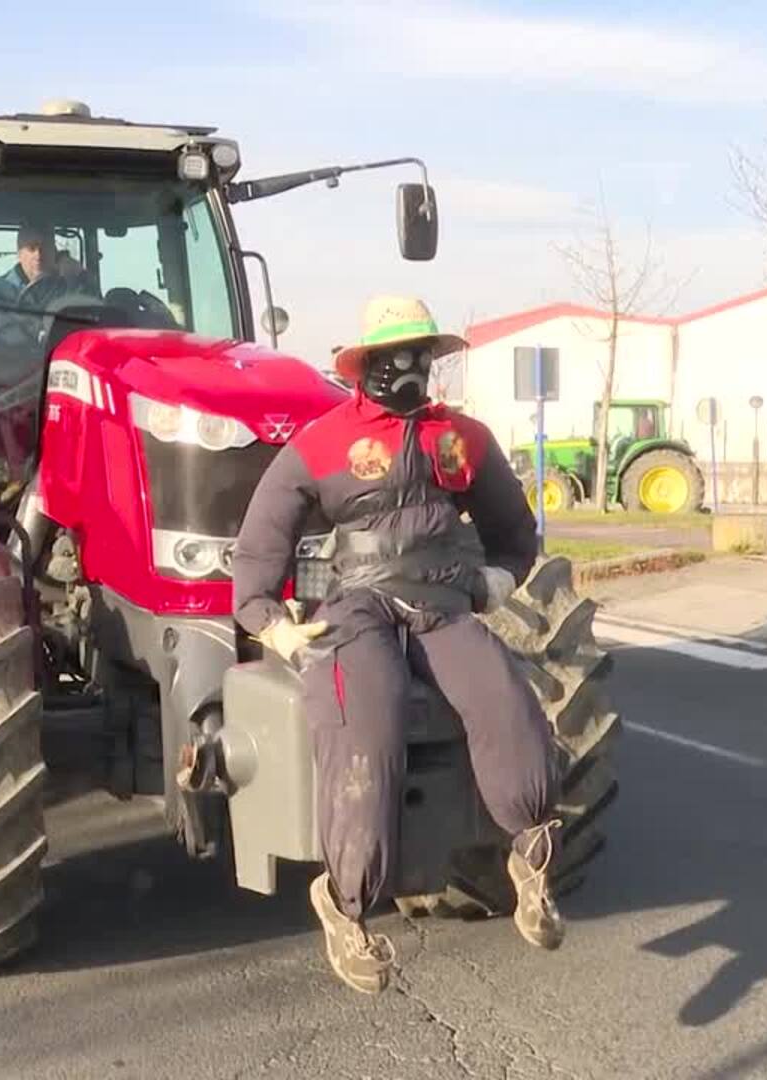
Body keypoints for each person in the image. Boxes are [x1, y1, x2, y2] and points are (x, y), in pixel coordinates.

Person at [232, 296, 563, 995]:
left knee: (507, 703)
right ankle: (346, 906)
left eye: (420, 353)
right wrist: (270, 620)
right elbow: (263, 539)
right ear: (366, 366)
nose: (408, 366)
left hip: (442, 605)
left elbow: (513, 529)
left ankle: (531, 864)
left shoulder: (462, 439)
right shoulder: (323, 442)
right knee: (366, 732)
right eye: (393, 356)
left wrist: (499, 579)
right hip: (356, 607)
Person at [0, 225, 89, 368]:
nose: (39, 255)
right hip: (9, 375)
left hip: (59, 372)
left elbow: (94, 318)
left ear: (54, 252)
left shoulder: (67, 287)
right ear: (19, 253)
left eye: (45, 247)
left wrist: (80, 275)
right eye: (31, 248)